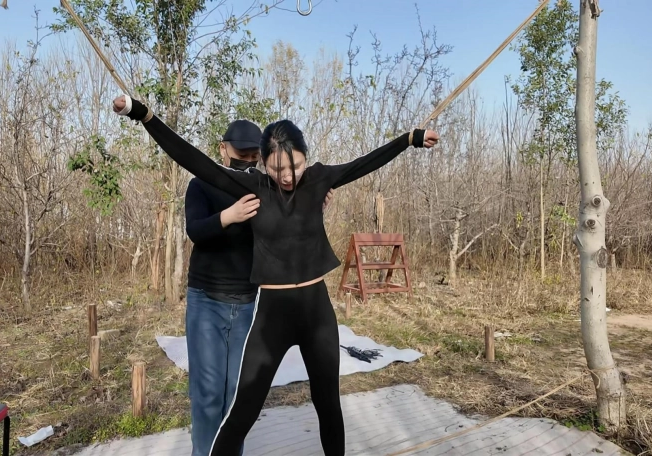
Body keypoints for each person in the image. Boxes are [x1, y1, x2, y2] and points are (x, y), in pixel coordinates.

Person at [113, 94, 439, 456]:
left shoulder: (319, 179)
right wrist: (144, 115)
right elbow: (194, 161)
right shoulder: (253, 186)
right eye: (276, 168)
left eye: (294, 166)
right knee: (243, 410)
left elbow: (367, 161)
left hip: (317, 313)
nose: (286, 176)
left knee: (328, 403)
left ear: (305, 157)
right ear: (264, 163)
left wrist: (410, 139)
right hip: (270, 316)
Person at [184, 119, 333, 456]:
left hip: (249, 302)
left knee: (237, 396)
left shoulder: (266, 187)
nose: (247, 161)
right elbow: (195, 231)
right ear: (223, 149)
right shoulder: (202, 184)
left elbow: (290, 228)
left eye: (254, 156)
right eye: (242, 155)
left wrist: (313, 205)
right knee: (208, 394)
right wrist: (229, 216)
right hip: (207, 299)